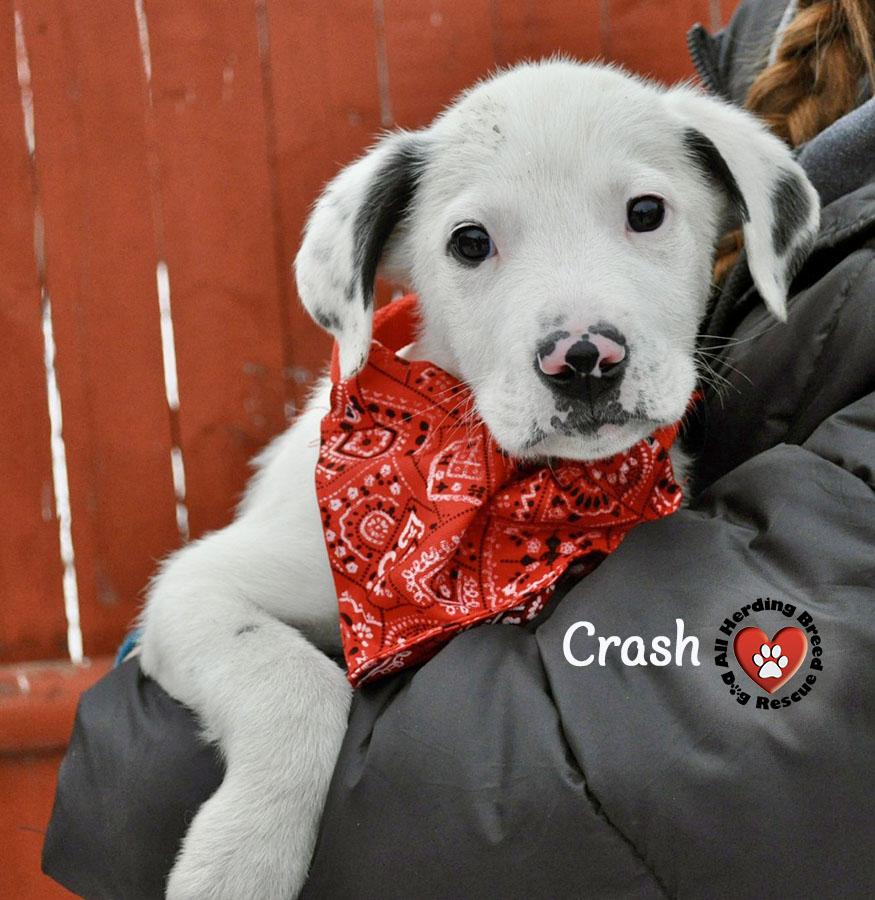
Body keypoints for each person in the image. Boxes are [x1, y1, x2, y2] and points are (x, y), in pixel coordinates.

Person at [43, 1, 875, 897]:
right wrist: (284, 751)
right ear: (377, 273)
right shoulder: (370, 487)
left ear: (746, 217)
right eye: (473, 244)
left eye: (643, 213)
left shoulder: (692, 482)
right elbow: (196, 602)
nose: (581, 349)